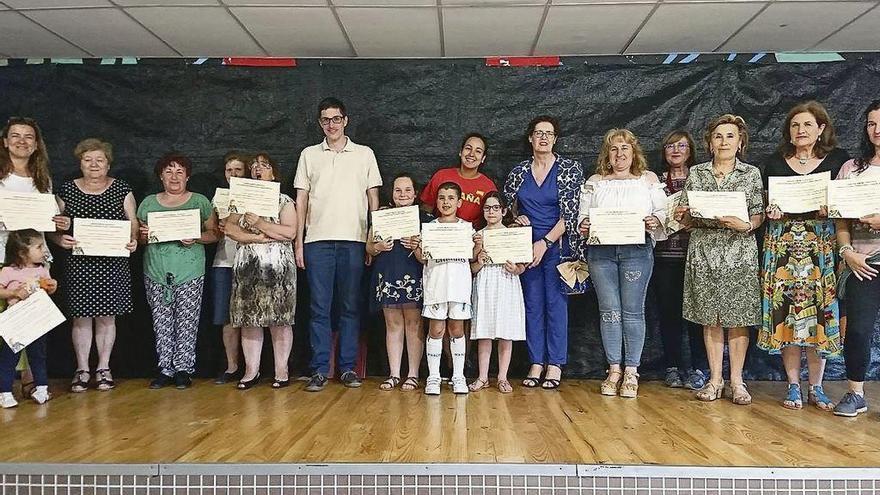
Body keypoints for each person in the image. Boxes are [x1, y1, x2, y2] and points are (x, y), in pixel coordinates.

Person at [757, 101, 849, 410]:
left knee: (820, 314)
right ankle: (793, 385)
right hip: (783, 245)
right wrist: (771, 211)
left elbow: (847, 205)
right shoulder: (774, 162)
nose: (801, 130)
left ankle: (817, 386)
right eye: (795, 125)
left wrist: (832, 209)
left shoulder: (837, 160)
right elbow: (767, 205)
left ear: (821, 128)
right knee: (788, 315)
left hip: (821, 246)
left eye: (807, 125)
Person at [675, 114, 764, 405]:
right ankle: (715, 379)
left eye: (730, 136)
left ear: (740, 143)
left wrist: (748, 225)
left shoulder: (750, 173)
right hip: (704, 251)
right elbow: (688, 218)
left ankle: (737, 381)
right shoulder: (697, 173)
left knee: (739, 318)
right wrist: (683, 216)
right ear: (710, 143)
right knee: (709, 318)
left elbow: (758, 212)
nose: (724, 141)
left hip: (739, 252)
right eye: (718, 136)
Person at [294, 97, 382, 392]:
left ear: (346, 120)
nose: (331, 124)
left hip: (354, 241)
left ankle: (347, 368)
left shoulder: (365, 154)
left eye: (335, 119)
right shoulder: (309, 155)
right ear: (320, 123)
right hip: (317, 240)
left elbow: (373, 200)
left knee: (350, 307)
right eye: (325, 120)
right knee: (319, 308)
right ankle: (319, 369)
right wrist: (299, 244)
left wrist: (373, 238)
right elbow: (301, 200)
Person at [578, 129, 667, 398]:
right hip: (601, 254)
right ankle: (614, 368)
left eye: (624, 148)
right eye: (614, 149)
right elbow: (583, 219)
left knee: (632, 311)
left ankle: (631, 371)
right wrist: (585, 225)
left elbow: (663, 213)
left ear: (633, 152)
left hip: (636, 252)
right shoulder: (596, 181)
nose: (619, 154)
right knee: (609, 311)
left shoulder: (647, 180)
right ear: (607, 154)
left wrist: (655, 221)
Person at [502, 116, 585, 390]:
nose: (544, 138)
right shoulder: (518, 172)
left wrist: (545, 242)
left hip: (557, 247)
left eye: (549, 133)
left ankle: (555, 364)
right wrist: (517, 219)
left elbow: (571, 214)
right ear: (530, 138)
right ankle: (536, 361)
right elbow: (506, 209)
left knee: (556, 306)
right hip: (525, 249)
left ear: (556, 139)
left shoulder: (570, 169)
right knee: (532, 306)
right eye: (538, 133)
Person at [52, 139, 137, 393]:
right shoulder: (66, 190)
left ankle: (103, 368)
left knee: (107, 318)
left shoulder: (121, 189)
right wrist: (59, 240)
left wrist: (133, 240)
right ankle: (81, 369)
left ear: (108, 163)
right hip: (80, 263)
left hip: (112, 264)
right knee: (80, 319)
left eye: (99, 160)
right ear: (80, 163)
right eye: (88, 159)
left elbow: (132, 221)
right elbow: (52, 226)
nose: (94, 164)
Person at [137, 153, 217, 389]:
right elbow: (139, 238)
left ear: (187, 176)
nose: (174, 176)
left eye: (179, 172)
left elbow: (214, 234)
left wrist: (197, 238)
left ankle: (183, 368)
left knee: (187, 321)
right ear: (161, 176)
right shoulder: (148, 203)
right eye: (169, 171)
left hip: (190, 271)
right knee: (160, 321)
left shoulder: (200, 201)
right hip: (156, 270)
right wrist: (142, 236)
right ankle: (165, 368)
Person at [1, 117, 68, 397]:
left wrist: (59, 227)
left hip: (34, 261)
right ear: (5, 142)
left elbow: (45, 224)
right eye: (15, 136)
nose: (21, 141)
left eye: (28, 136)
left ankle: (31, 379)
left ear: (37, 144)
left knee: (31, 322)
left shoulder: (43, 179)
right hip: (2, 255)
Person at [225, 153, 297, 390]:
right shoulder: (241, 199)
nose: (258, 169)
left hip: (278, 267)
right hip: (248, 267)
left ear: (273, 173)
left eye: (264, 166)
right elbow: (230, 228)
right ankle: (250, 371)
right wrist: (256, 237)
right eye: (254, 166)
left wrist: (259, 223)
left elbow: (289, 232)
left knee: (280, 319)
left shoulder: (284, 200)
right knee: (249, 319)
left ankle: (281, 371)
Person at [831, 99, 880, 417]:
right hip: (863, 263)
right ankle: (855, 393)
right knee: (858, 329)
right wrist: (847, 253)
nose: (877, 130)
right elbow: (840, 219)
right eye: (871, 123)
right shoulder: (852, 168)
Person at [651, 131, 708, 390]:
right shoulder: (654, 182)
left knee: (698, 315)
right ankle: (672, 366)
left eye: (682, 145)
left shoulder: (702, 178)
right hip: (664, 256)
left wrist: (695, 219)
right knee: (669, 314)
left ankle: (699, 367)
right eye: (670, 145)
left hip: (696, 256)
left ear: (691, 150)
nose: (675, 150)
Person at [367, 173, 429, 391]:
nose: (403, 194)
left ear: (415, 193)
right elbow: (369, 247)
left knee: (414, 325)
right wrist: (378, 247)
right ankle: (394, 374)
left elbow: (430, 254)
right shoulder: (382, 216)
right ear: (392, 194)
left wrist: (417, 246)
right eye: (398, 190)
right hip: (388, 273)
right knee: (392, 325)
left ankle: (412, 374)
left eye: (407, 190)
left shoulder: (426, 220)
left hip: (413, 273)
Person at [413, 182, 476, 395]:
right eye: (441, 197)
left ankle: (458, 376)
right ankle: (433, 377)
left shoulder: (467, 228)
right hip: (436, 285)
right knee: (436, 329)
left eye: (450, 198)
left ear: (459, 202)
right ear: (436, 201)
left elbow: (473, 256)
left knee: (457, 330)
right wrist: (417, 247)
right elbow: (422, 258)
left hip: (458, 286)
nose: (446, 202)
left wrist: (477, 245)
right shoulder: (429, 228)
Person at [468, 192, 526, 394]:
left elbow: (522, 267)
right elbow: (471, 270)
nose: (491, 212)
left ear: (503, 211)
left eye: (495, 208)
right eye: (487, 208)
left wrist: (516, 269)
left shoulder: (512, 235)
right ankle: (483, 377)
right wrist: (479, 259)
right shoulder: (477, 235)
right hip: (485, 284)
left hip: (506, 282)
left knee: (505, 332)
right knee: (484, 332)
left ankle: (502, 377)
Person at [0, 230, 58, 408]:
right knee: (10, 357)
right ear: (22, 252)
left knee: (38, 355)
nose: (43, 251)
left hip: (37, 320)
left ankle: (41, 388)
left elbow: (49, 290)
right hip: (16, 322)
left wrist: (52, 286)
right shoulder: (8, 271)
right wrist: (15, 292)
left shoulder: (42, 270)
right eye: (39, 247)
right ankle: (5, 392)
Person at [211, 152, 247, 384]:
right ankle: (232, 366)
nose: (233, 174)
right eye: (229, 170)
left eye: (238, 170)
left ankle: (254, 367)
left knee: (253, 318)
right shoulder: (218, 198)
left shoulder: (261, 196)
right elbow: (214, 230)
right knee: (228, 318)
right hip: (224, 261)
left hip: (253, 261)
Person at [421, 133, 497, 226]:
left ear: (483, 158)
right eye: (468, 148)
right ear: (461, 152)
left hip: (470, 236)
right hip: (439, 233)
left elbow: (493, 217)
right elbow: (426, 209)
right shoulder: (441, 176)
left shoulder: (488, 186)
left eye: (478, 151)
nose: (471, 154)